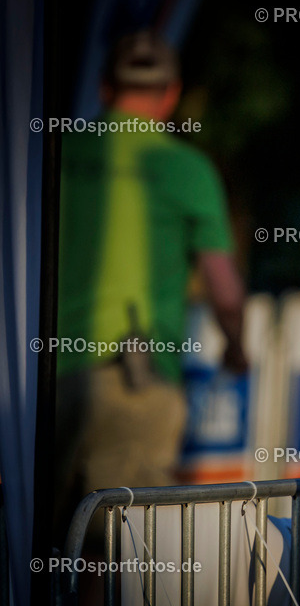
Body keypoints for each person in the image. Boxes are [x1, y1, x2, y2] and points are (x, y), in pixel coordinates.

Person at [54, 30, 247, 540]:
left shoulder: (54, 151)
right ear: (171, 94)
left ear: (104, 88)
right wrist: (237, 349)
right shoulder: (185, 168)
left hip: (43, 377)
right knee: (113, 556)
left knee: (30, 543)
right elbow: (224, 290)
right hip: (135, 378)